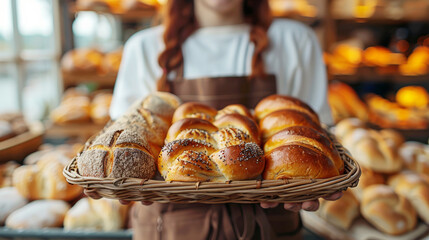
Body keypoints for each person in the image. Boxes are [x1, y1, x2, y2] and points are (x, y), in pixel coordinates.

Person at [86, 0, 342, 239]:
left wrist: (315, 183)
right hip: (168, 228)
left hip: (270, 225)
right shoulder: (144, 47)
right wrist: (121, 182)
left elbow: (316, 134)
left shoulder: (295, 41)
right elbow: (122, 141)